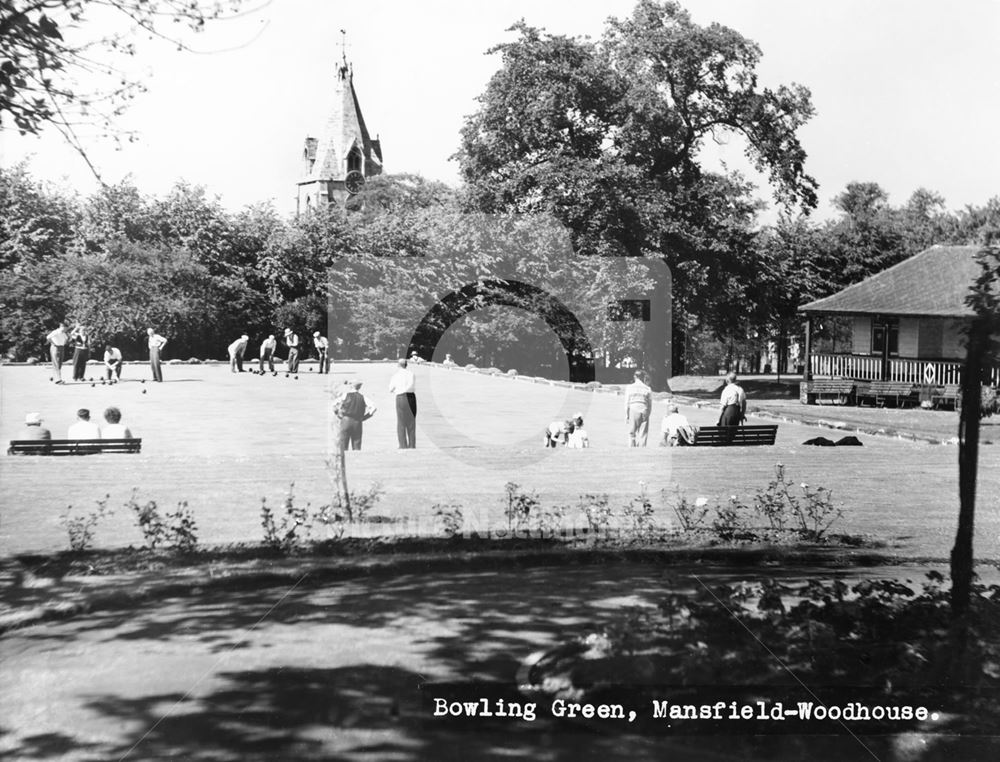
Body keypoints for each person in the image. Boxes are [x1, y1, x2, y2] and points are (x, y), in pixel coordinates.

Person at [334, 380, 375, 450]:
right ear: (359, 387)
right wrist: (365, 417)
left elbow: (334, 404)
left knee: (343, 445)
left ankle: (343, 460)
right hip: (357, 422)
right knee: (357, 445)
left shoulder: (345, 395)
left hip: (345, 421)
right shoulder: (363, 397)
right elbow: (374, 408)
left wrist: (337, 414)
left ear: (351, 386)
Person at [388, 358, 417, 448]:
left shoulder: (396, 376)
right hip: (411, 397)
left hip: (401, 397)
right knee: (411, 422)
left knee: (401, 422)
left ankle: (403, 445)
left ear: (398, 365)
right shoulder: (411, 374)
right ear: (406, 365)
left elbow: (390, 389)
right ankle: (412, 445)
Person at [624, 369, 653, 447]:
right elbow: (650, 404)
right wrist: (648, 414)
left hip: (634, 409)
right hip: (644, 410)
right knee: (643, 434)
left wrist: (626, 415)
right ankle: (642, 451)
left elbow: (627, 403)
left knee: (632, 433)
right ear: (643, 377)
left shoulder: (629, 387)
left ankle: (631, 450)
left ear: (635, 377)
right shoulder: (647, 388)